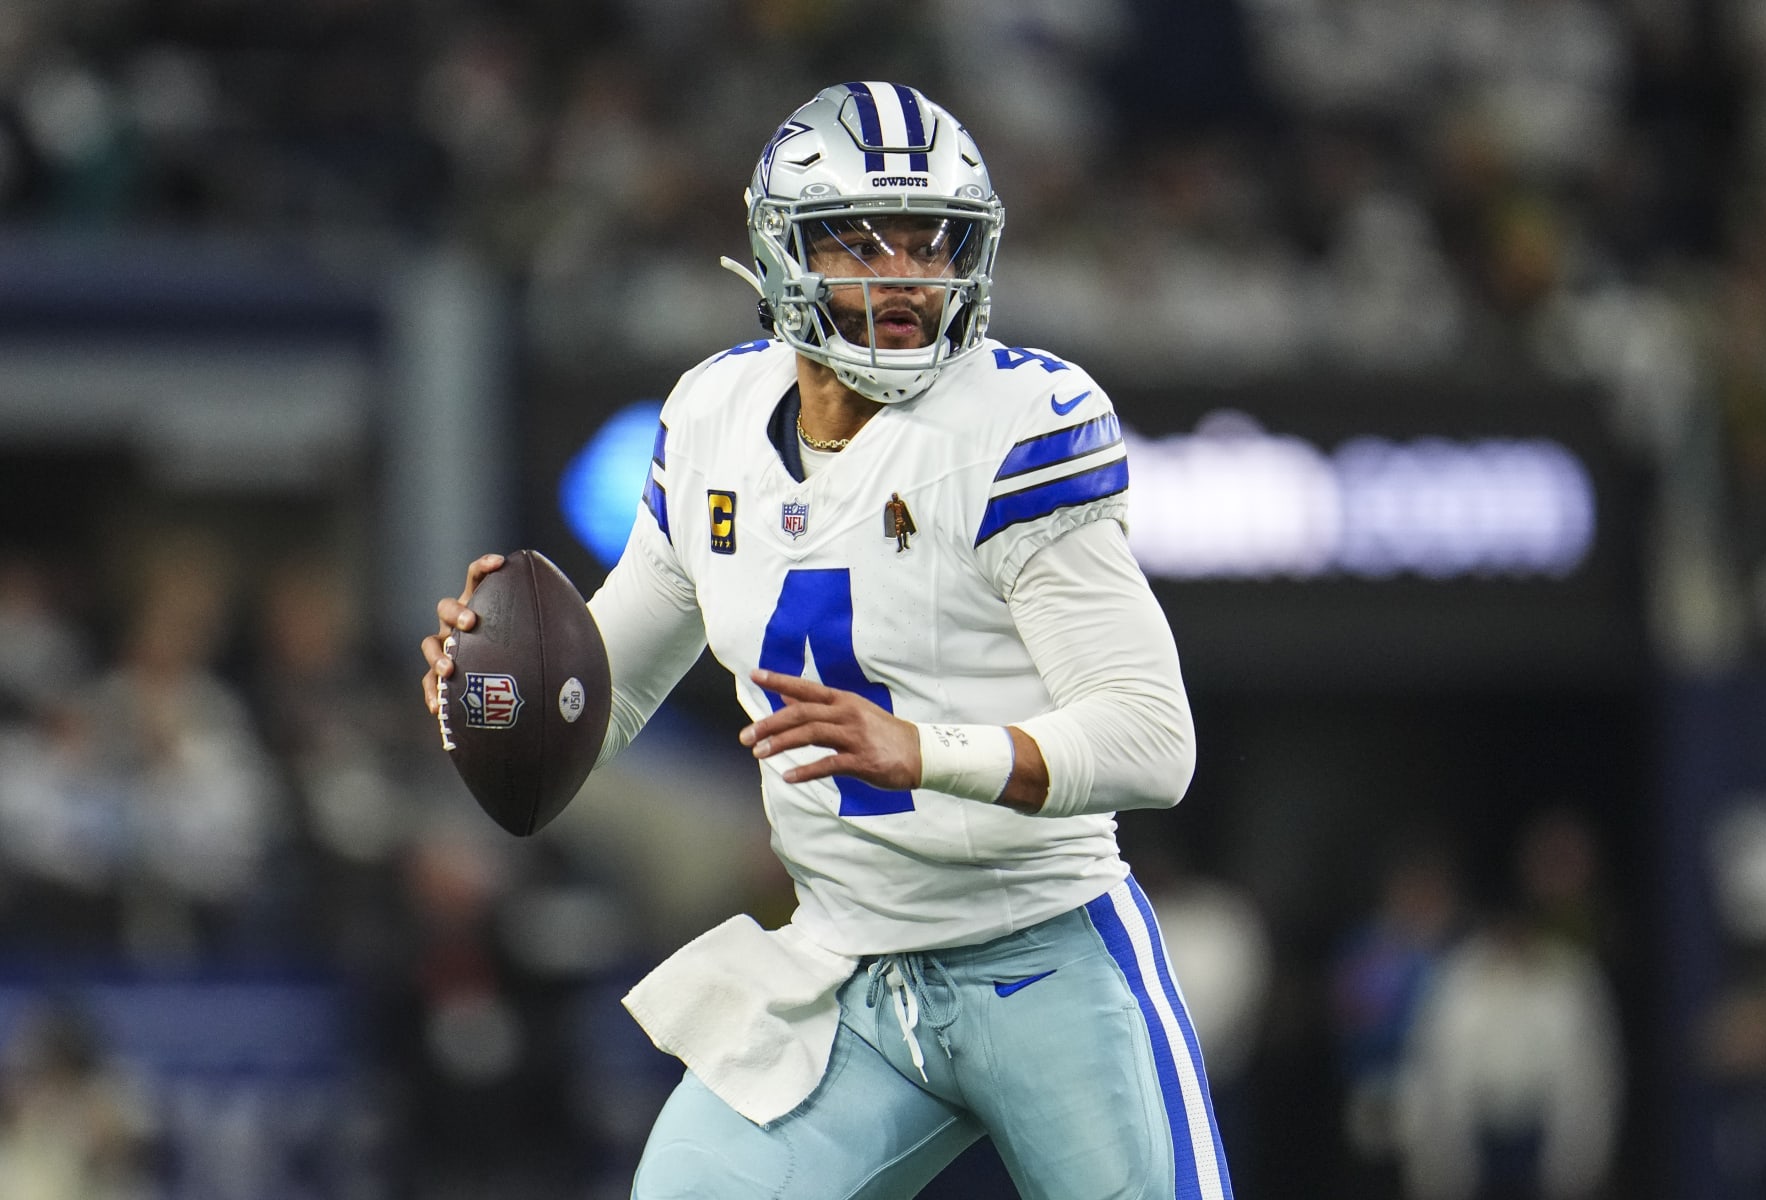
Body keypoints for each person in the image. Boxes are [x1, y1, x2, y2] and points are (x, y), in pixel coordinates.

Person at [422, 81, 1232, 1199]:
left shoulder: (1015, 427)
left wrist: (928, 749)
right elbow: (593, 711)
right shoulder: (712, 422)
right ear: (781, 253)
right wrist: (495, 697)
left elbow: (1153, 742)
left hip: (1044, 954)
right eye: (864, 244)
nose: (907, 278)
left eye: (933, 244)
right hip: (847, 976)